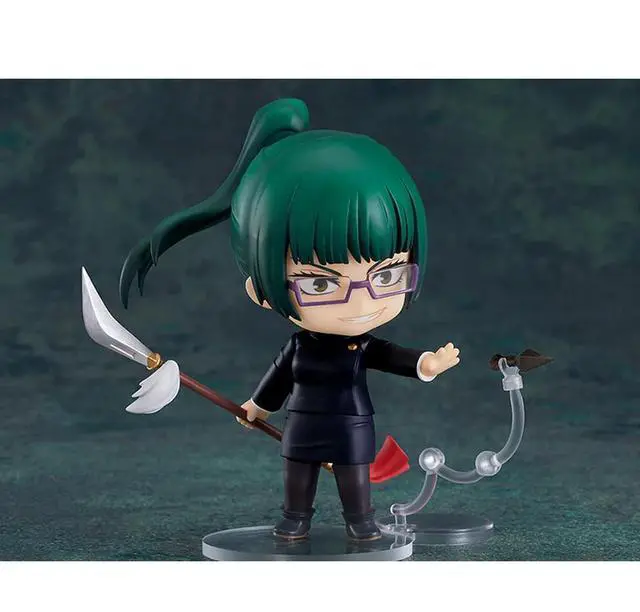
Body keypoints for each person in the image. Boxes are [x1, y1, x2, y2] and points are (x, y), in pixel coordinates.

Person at [119, 98, 460, 542]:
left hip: (352, 424)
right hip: (301, 422)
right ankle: (295, 518)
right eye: (320, 283)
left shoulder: (363, 347)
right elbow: (279, 376)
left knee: (354, 478)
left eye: (386, 275)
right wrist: (258, 406)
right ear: (260, 290)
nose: (361, 302)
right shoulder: (299, 347)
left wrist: (425, 364)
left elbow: (392, 356)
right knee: (298, 474)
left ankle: (360, 520)